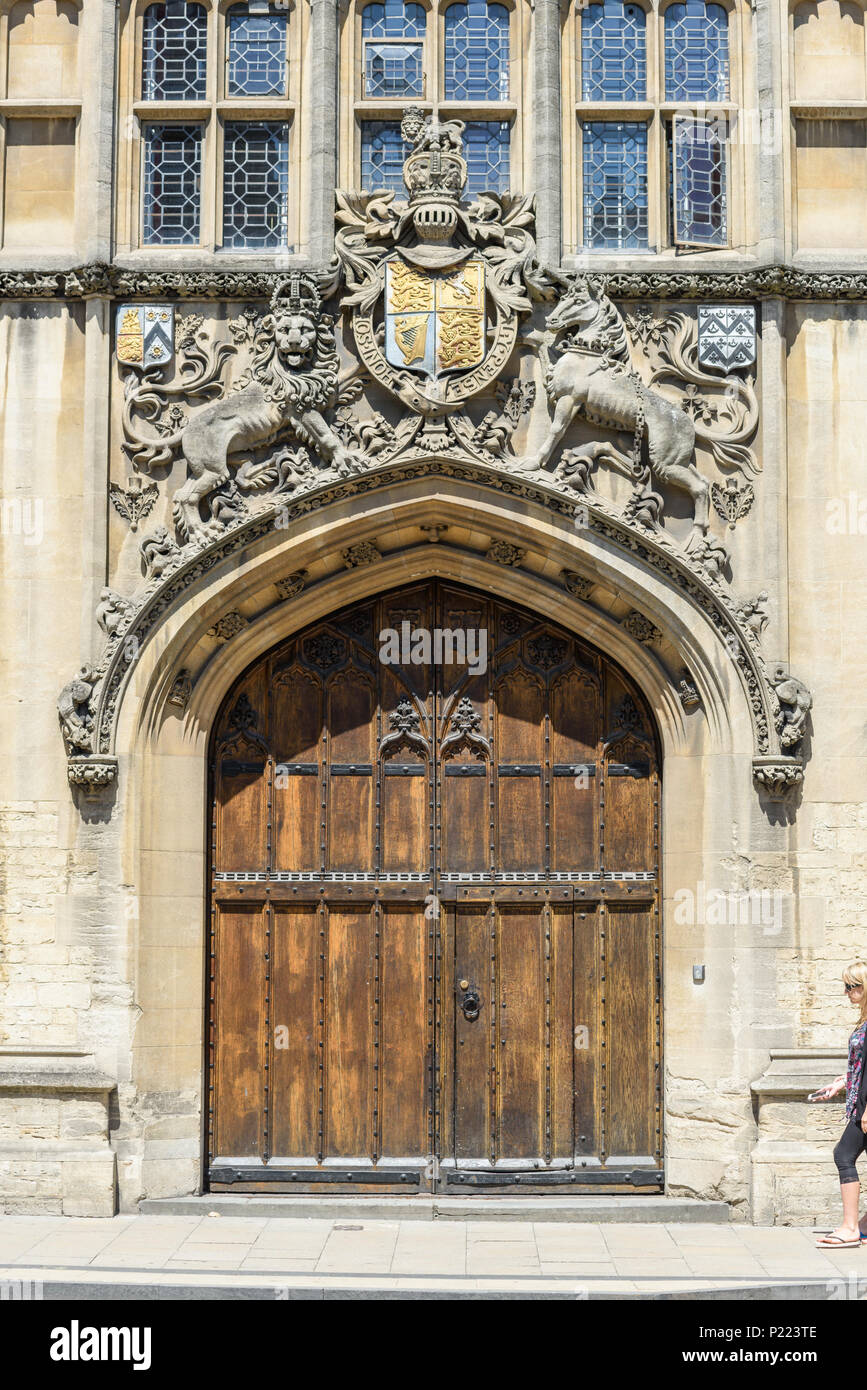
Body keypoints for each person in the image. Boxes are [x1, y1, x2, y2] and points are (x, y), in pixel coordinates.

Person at [811, 961, 867, 1247]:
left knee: (843, 1155)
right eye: (845, 986)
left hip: (865, 1106)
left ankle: (849, 1228)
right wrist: (841, 1082)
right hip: (860, 1100)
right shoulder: (863, 1020)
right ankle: (864, 1226)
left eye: (852, 986)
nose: (847, 992)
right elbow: (862, 1065)